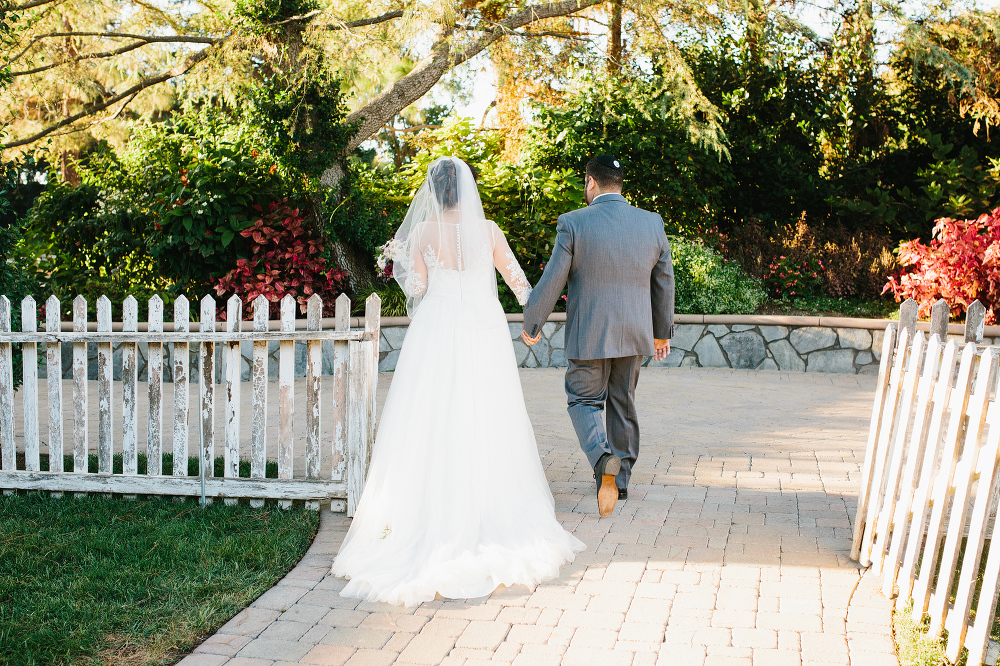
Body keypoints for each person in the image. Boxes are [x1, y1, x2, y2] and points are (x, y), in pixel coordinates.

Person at [331, 157, 584, 607]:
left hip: (439, 326)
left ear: (433, 191)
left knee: (431, 412)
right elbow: (518, 282)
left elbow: (421, 287)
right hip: (483, 326)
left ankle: (426, 507)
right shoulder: (489, 231)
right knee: (487, 409)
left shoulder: (424, 234)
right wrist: (535, 318)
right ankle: (491, 503)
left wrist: (401, 263)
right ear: (466, 191)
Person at [522, 155, 675, 518]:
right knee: (623, 401)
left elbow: (553, 280)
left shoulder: (573, 223)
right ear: (620, 184)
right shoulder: (651, 223)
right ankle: (619, 481)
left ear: (591, 182)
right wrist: (660, 333)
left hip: (590, 333)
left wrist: (532, 323)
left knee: (583, 400)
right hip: (635, 334)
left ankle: (602, 457)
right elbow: (664, 279)